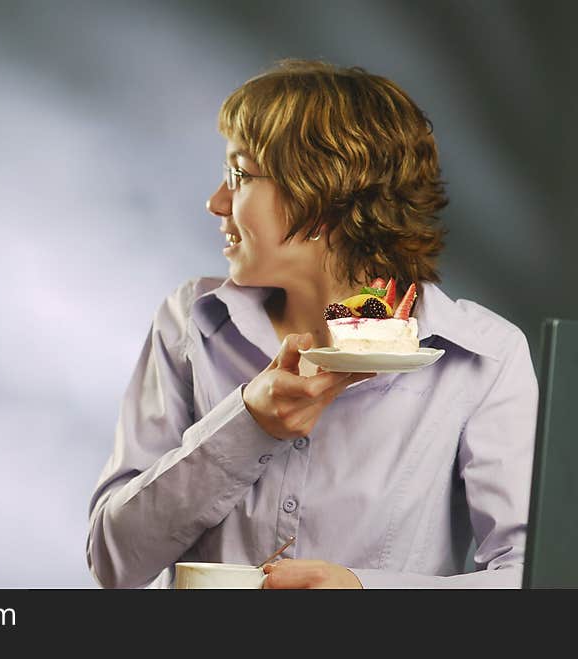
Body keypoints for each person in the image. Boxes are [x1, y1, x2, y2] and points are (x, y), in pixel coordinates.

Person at [87, 59, 537, 588]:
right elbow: (114, 565)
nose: (216, 203)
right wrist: (246, 425)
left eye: (240, 174)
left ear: (322, 195)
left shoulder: (485, 356)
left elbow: (533, 580)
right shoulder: (192, 324)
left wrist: (365, 593)